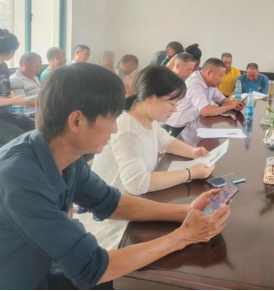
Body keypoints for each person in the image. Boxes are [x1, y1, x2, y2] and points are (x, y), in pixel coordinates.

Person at [0, 64, 230, 290]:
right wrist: (183, 237)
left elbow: (111, 203)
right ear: (77, 121)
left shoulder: (62, 154)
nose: (114, 129)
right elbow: (92, 268)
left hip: (37, 267)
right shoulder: (20, 179)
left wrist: (184, 212)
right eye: (111, 118)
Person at [80, 66, 215, 251]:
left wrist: (193, 152)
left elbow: (165, 141)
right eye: (171, 102)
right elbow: (137, 182)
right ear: (150, 98)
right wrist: (190, 172)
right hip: (117, 219)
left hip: (137, 204)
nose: (175, 109)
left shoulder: (147, 120)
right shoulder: (127, 128)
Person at [164, 58, 245, 136]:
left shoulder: (211, 83)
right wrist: (229, 106)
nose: (222, 80)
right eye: (220, 76)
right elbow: (205, 110)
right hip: (178, 127)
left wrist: (235, 104)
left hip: (194, 123)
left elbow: (222, 100)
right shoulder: (195, 84)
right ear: (209, 73)